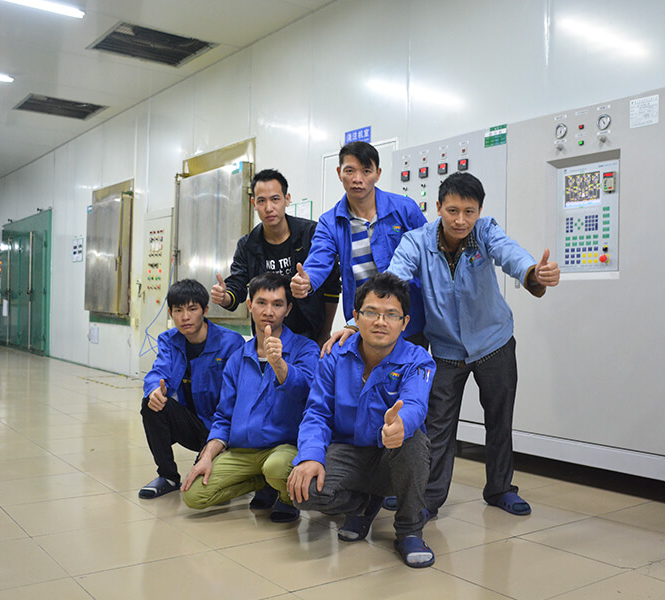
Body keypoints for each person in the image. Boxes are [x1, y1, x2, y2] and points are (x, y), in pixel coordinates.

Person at [386, 171, 561, 518]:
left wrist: (533, 273)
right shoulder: (416, 241)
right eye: (452, 211)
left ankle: (500, 489)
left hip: (494, 343)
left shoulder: (484, 232)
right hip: (446, 350)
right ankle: (427, 497)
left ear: (479, 211)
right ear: (438, 207)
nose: (460, 220)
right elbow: (394, 277)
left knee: (499, 420)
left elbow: (510, 254)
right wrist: (364, 318)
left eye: (469, 211)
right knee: (437, 426)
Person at [287, 273, 437, 568]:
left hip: (390, 454)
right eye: (371, 313)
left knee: (414, 441)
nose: (381, 322)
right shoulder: (334, 356)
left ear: (404, 322)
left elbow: (416, 403)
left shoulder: (418, 359)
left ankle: (409, 530)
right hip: (348, 451)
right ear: (356, 317)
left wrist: (401, 424)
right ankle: (364, 505)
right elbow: (317, 412)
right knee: (302, 494)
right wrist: (311, 456)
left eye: (391, 315)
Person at [181, 273, 318, 522]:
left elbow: (308, 394)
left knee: (276, 467)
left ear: (288, 309)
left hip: (283, 450)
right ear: (249, 306)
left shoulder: (305, 349)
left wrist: (280, 365)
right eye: (261, 303)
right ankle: (262, 481)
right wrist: (207, 456)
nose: (269, 311)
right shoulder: (238, 358)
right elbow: (224, 416)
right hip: (242, 451)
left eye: (277, 304)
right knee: (194, 495)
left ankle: (287, 498)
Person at [290, 141, 427, 345]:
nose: (357, 179)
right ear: (339, 173)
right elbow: (319, 259)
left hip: (407, 320)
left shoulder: (405, 209)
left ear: (378, 174)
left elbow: (429, 252)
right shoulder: (330, 222)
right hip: (363, 321)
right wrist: (306, 281)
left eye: (366, 171)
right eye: (350, 171)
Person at [139, 279, 244, 498]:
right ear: (171, 313)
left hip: (224, 429)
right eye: (178, 310)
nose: (185, 317)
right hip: (194, 424)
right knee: (151, 404)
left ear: (205, 310)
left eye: (192, 309)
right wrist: (154, 390)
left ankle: (230, 466)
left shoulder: (231, 343)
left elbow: (238, 399)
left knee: (201, 491)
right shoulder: (169, 340)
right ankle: (167, 476)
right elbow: (158, 371)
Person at [212, 168, 340, 345]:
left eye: (275, 199)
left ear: (287, 199)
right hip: (267, 335)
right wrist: (225, 297)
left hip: (309, 334)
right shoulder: (247, 245)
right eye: (261, 201)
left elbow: (332, 286)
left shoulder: (311, 234)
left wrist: (325, 332)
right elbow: (237, 285)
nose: (268, 208)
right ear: (253, 203)